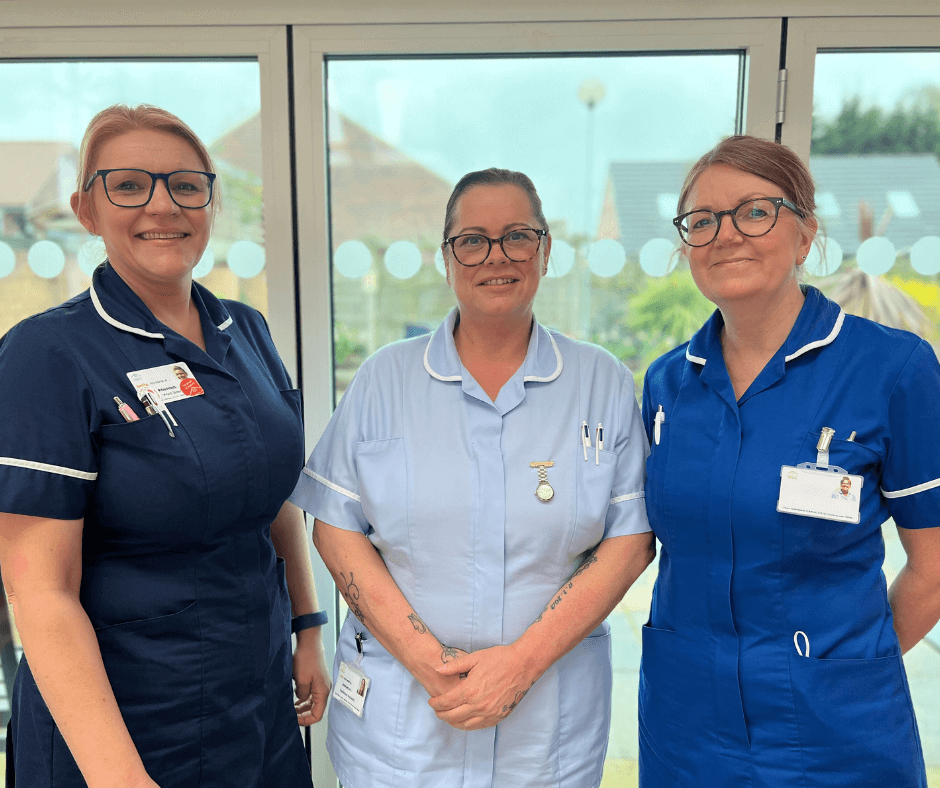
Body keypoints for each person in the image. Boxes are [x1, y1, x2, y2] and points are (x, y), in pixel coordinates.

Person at [290, 168, 655, 788]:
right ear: (447, 256)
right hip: (403, 728)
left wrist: (520, 665)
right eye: (473, 240)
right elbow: (334, 526)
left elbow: (631, 540)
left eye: (517, 236)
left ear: (545, 251)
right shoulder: (386, 381)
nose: (496, 256)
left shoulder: (602, 383)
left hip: (546, 732)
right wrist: (428, 663)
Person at [0, 104, 331, 788]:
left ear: (210, 202)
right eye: (128, 185)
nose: (162, 205)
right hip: (126, 723)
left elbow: (273, 499)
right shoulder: (48, 354)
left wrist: (306, 627)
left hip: (257, 701)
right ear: (87, 209)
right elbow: (41, 592)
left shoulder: (246, 330)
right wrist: (122, 779)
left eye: (186, 185)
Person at [640, 134, 940, 787]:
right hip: (685, 732)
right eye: (702, 221)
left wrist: (843, 668)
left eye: (755, 211)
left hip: (838, 736)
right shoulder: (667, 386)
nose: (725, 235)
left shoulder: (892, 368)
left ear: (804, 234)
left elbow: (934, 567)